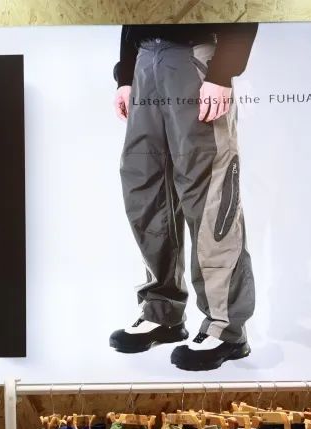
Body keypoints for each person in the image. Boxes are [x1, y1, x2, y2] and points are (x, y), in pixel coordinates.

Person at [110, 23, 258, 371]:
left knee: (209, 195)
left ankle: (226, 328)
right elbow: (134, 10)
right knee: (145, 189)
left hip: (196, 56)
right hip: (145, 60)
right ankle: (162, 312)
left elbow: (241, 7)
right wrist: (127, 75)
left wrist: (222, 72)